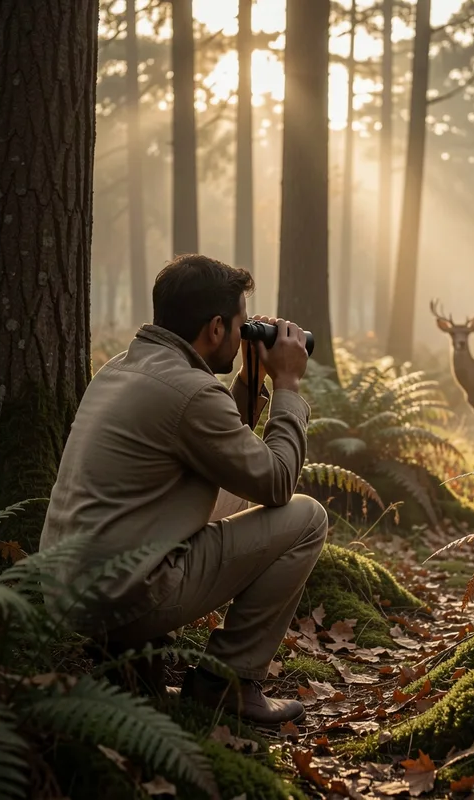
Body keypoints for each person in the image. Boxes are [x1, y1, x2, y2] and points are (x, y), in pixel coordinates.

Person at [39, 254, 328, 725]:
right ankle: (227, 682)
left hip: (73, 584)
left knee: (241, 498)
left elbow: (226, 451)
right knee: (306, 517)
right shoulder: (192, 392)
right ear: (215, 328)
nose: (242, 336)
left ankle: (142, 666)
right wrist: (289, 384)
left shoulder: (121, 367)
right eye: (240, 326)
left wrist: (251, 377)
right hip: (125, 597)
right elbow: (277, 482)